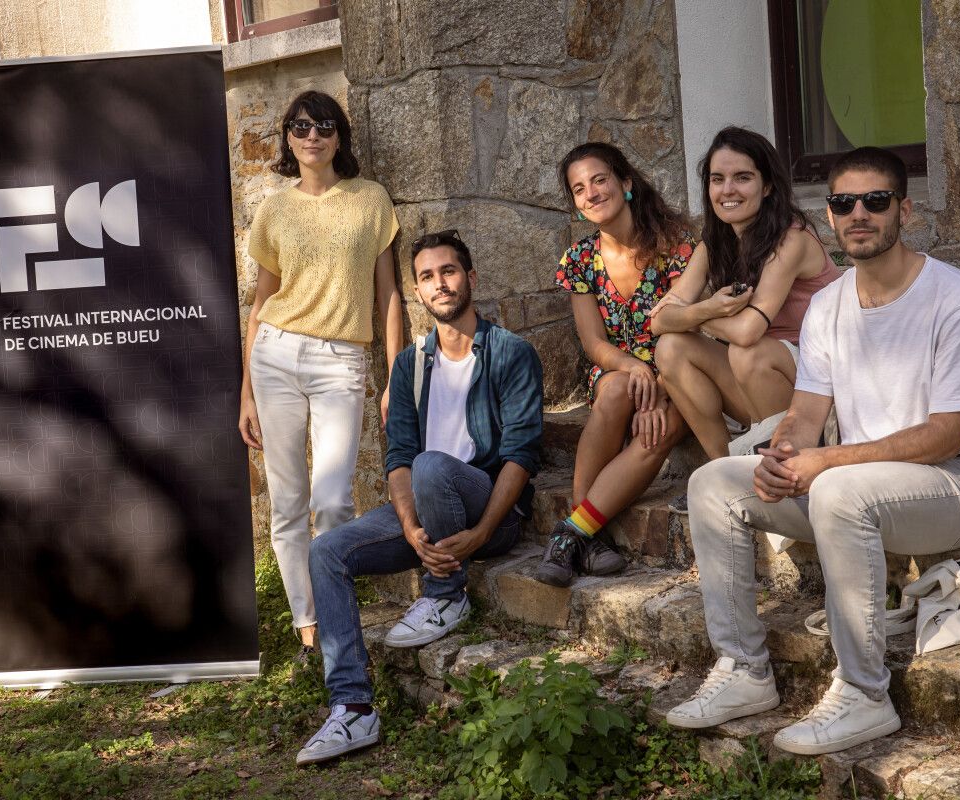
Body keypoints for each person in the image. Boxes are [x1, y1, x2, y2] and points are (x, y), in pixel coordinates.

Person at [662, 147, 960, 755]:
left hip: (955, 485)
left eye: (876, 201)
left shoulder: (956, 297)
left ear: (905, 209)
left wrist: (823, 461)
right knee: (715, 483)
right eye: (845, 202)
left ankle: (863, 694)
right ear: (830, 214)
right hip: (860, 489)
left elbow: (947, 435)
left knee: (840, 489)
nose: (859, 214)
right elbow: (807, 412)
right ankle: (744, 671)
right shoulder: (828, 304)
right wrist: (783, 450)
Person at [296, 230, 543, 765]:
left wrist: (481, 533)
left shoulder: (510, 354)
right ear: (418, 292)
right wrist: (408, 526)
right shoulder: (409, 365)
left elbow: (521, 456)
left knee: (435, 465)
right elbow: (399, 458)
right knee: (326, 550)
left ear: (471, 278)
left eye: (449, 271)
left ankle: (445, 593)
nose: (440, 284)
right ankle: (353, 710)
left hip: (488, 513)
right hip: (428, 514)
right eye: (427, 277)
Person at [238, 91, 404, 656]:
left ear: (339, 137)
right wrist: (246, 396)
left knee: (333, 499)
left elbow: (389, 296)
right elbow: (260, 304)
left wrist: (394, 376)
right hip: (276, 357)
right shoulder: (274, 210)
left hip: (340, 361)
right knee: (287, 503)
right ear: (287, 137)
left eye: (324, 125)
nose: (312, 135)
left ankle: (332, 600)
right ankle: (310, 623)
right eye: (301, 126)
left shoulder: (370, 201)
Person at [532, 142, 694, 587]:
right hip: (617, 369)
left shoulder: (674, 247)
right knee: (619, 388)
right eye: (579, 189)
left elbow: (691, 329)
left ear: (625, 183)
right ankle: (589, 535)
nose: (591, 193)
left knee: (655, 428)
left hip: (682, 371)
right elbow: (592, 343)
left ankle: (573, 534)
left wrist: (659, 384)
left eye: (599, 180)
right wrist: (634, 369)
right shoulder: (580, 260)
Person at [649, 127, 840, 496]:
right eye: (718, 179)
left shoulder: (791, 239)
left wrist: (699, 314)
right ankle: (727, 474)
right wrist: (707, 308)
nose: (728, 190)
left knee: (748, 351)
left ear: (767, 186)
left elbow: (748, 332)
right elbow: (659, 321)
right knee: (671, 348)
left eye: (743, 178)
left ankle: (784, 467)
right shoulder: (715, 241)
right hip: (760, 379)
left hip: (818, 391)